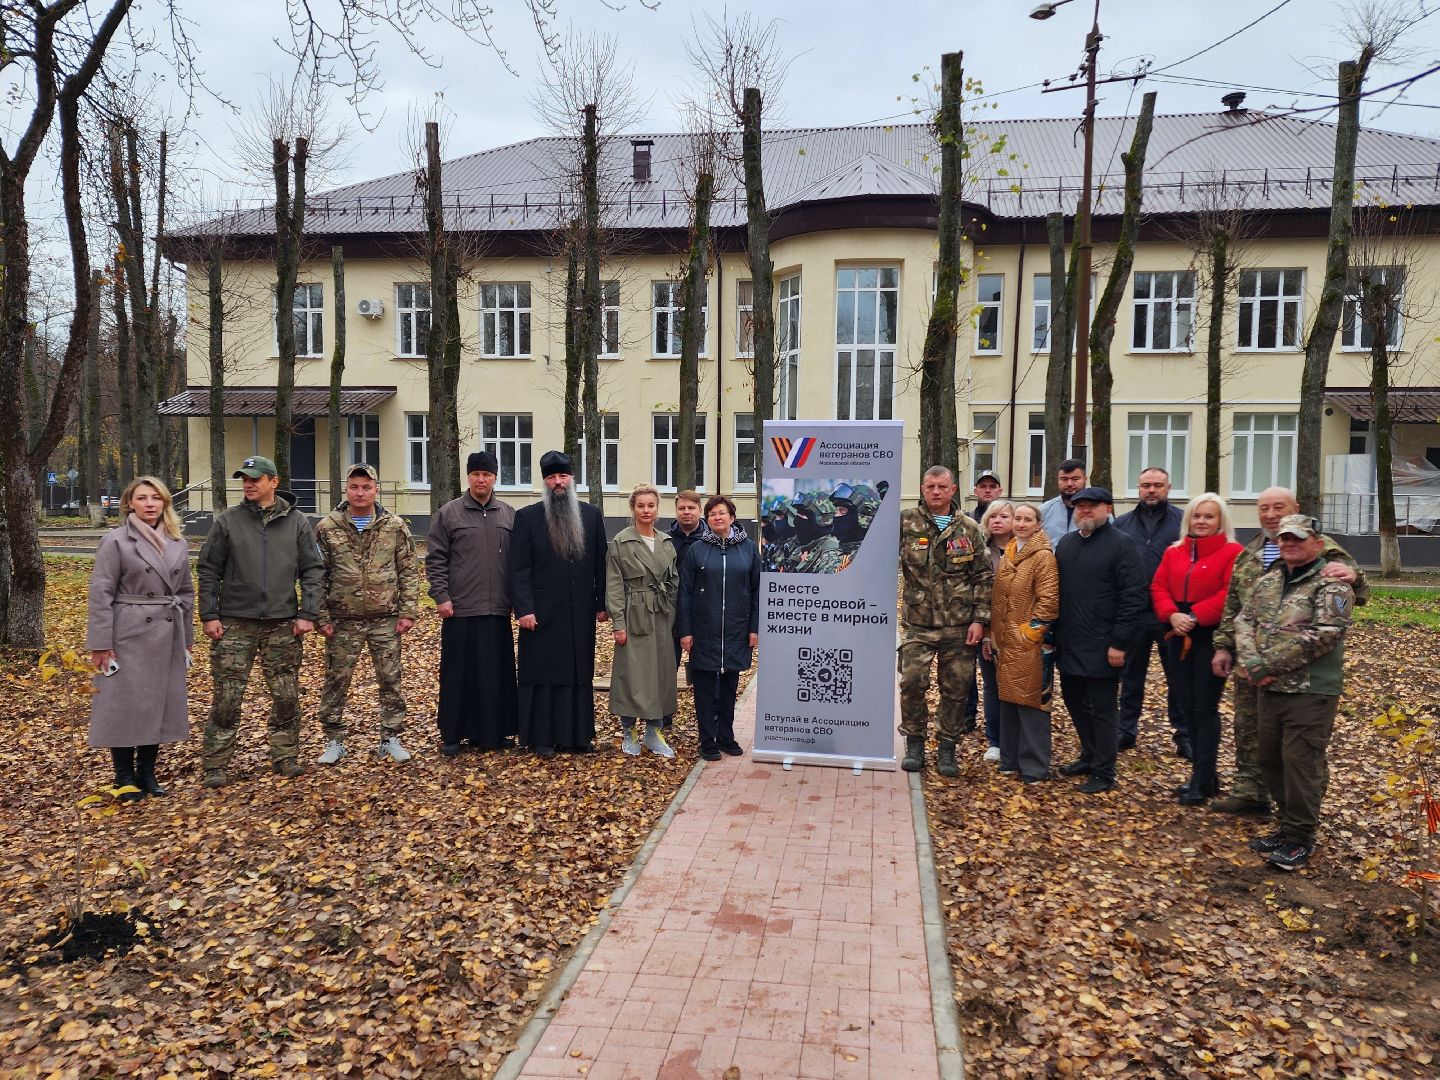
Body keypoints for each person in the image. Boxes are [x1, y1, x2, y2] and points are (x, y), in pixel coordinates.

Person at [1211, 487, 1365, 815]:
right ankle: (1251, 789)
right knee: (1250, 728)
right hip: (1249, 661)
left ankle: (1302, 812)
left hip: (1299, 671)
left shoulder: (1325, 550)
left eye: (1277, 507)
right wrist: (1225, 646)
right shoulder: (1251, 552)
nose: (1269, 514)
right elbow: (1236, 605)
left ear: (1296, 507)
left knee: (1298, 749)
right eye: (1263, 508)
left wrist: (1355, 577)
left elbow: (1352, 593)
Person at [1234, 514, 1355, 871]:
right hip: (1269, 687)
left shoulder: (1332, 584)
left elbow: (1325, 634)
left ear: (1318, 544)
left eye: (1297, 539)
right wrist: (1251, 660)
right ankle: (1287, 828)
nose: (1288, 544)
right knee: (1269, 759)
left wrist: (1267, 664)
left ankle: (1301, 839)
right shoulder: (1270, 579)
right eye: (1284, 539)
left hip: (1310, 691)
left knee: (1300, 764)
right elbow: (1244, 619)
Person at [197, 455, 325, 787]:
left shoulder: (297, 522)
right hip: (235, 623)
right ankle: (216, 763)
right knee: (227, 696)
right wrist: (209, 615)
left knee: (285, 695)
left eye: (255, 478)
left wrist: (307, 614)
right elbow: (209, 570)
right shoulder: (228, 521)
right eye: (244, 479)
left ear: (274, 482)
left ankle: (285, 756)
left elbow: (312, 570)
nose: (249, 484)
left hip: (282, 623)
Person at [85, 476, 194, 800]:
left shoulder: (178, 542)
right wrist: (101, 643)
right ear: (129, 503)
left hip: (166, 631)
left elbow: (186, 592)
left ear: (165, 503)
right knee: (122, 703)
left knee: (157, 702)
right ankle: (123, 777)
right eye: (142, 498)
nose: (149, 503)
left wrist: (186, 638)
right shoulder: (116, 541)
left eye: (155, 498)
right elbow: (100, 592)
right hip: (127, 631)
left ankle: (147, 772)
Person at [313, 463, 421, 765]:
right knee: (336, 680)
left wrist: (408, 611)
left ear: (376, 489)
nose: (360, 493)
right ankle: (334, 740)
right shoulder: (328, 527)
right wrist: (321, 616)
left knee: (390, 679)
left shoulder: (394, 526)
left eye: (366, 487)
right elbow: (316, 575)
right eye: (354, 487)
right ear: (346, 489)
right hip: (342, 620)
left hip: (385, 617)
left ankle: (390, 737)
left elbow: (408, 571)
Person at [510, 450, 609, 756]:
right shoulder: (527, 517)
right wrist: (524, 608)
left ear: (571, 478)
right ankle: (542, 738)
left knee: (578, 674)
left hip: (578, 612)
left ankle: (577, 737)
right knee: (543, 673)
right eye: (551, 477)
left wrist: (602, 603)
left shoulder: (591, 516)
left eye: (562, 476)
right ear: (544, 481)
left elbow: (601, 563)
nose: (557, 482)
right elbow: (518, 568)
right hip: (541, 612)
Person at [1053, 486, 1149, 794]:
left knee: (1103, 709)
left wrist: (1120, 643)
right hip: (1070, 642)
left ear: (1107, 509)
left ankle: (1104, 771)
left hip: (1105, 644)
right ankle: (1089, 754)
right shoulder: (1066, 544)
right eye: (1080, 506)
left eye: (1092, 506)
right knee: (1074, 701)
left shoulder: (1123, 545)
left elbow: (1133, 598)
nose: (1085, 511)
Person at [897, 466, 992, 777]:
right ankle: (914, 743)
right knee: (912, 683)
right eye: (930, 486)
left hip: (959, 624)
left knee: (956, 689)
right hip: (918, 622)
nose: (935, 492)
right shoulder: (906, 522)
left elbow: (982, 576)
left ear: (953, 490)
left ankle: (947, 747)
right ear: (922, 489)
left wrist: (980, 619)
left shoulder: (969, 528)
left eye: (942, 486)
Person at [1149, 494, 1243, 805]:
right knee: (1186, 706)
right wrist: (1171, 614)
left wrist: (1195, 616)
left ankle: (1203, 778)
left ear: (1220, 521)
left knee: (1204, 709)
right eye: (1197, 516)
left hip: (1209, 637)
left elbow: (1229, 593)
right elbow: (1158, 586)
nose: (1201, 521)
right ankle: (1204, 776)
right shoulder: (1174, 552)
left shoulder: (1233, 553)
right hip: (1177, 634)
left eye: (1209, 516)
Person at [427, 452, 519, 755]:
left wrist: (518, 601)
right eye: (476, 473)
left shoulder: (508, 514)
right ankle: (454, 733)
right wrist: (441, 596)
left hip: (497, 609)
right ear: (468, 477)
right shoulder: (449, 514)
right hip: (461, 609)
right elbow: (436, 558)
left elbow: (518, 564)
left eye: (487, 474)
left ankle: (493, 733)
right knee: (458, 675)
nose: (482, 479)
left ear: (495, 477)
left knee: (496, 675)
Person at [677, 495, 760, 762]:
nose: (717, 518)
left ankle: (726, 735)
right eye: (712, 514)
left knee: (728, 685)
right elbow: (685, 593)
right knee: (703, 687)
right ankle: (707, 739)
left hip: (736, 630)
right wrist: (685, 630)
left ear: (732, 518)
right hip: (704, 629)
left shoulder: (748, 549)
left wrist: (754, 628)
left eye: (722, 513)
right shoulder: (697, 550)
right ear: (707, 519)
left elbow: (757, 591)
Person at [986, 502, 1059, 784]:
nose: (1022, 523)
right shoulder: (1011, 552)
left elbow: (1049, 600)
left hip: (1029, 642)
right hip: (1005, 641)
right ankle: (1010, 759)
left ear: (1038, 524)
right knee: (1008, 701)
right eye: (1018, 518)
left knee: (1032, 704)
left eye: (1028, 519)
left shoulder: (1043, 557)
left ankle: (1034, 766)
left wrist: (1031, 633)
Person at [1114, 466, 1185, 755]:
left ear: (1168, 488)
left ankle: (1184, 734)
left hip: (1171, 613)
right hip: (1134, 613)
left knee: (1178, 677)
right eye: (1146, 485)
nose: (1151, 490)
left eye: (1157, 485)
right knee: (1131, 677)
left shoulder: (1183, 523)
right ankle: (1125, 730)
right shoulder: (1122, 524)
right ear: (1138, 488)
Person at [607, 483, 679, 759]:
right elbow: (614, 585)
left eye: (651, 505)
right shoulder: (622, 541)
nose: (646, 510)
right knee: (631, 674)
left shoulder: (665, 541)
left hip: (660, 614)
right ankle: (629, 731)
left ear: (657, 508)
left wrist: (671, 611)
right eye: (641, 506)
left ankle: (654, 730)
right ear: (633, 508)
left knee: (660, 673)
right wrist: (618, 622)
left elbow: (673, 579)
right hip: (634, 612)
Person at [969, 499, 1015, 763]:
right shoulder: (980, 551)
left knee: (1018, 685)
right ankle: (996, 740)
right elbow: (977, 591)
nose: (998, 520)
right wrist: (985, 632)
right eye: (993, 516)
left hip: (1021, 631)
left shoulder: (1026, 550)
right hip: (989, 629)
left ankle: (1017, 739)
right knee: (992, 685)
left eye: (1004, 516)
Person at [1039, 459, 1088, 539]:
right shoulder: (1044, 511)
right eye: (1064, 479)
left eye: (1075, 479)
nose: (1069, 484)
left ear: (1085, 480)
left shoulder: (1098, 511)